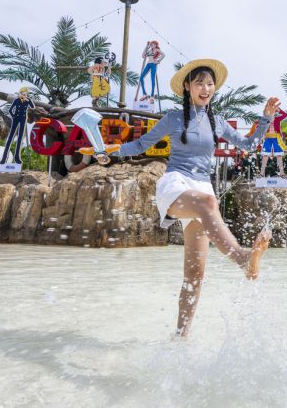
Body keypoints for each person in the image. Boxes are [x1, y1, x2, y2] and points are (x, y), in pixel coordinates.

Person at [112, 59, 276, 337]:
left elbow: (248, 145)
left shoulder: (218, 121)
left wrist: (265, 119)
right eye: (199, 82)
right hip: (176, 184)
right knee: (208, 203)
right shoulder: (173, 118)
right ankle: (243, 258)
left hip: (202, 188)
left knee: (195, 276)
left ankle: (180, 337)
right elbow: (141, 144)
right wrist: (111, 149)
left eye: (210, 83)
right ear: (187, 86)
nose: (205, 88)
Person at [2, 87, 34, 164]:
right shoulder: (16, 100)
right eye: (23, 94)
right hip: (16, 118)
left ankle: (17, 158)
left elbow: (33, 107)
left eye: (25, 94)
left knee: (20, 138)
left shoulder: (28, 101)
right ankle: (4, 157)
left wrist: (29, 101)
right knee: (10, 137)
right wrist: (14, 116)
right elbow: (10, 110)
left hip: (23, 119)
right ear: (20, 94)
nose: (24, 95)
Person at [259, 108, 287, 178]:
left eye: (273, 112)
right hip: (267, 138)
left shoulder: (278, 119)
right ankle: (261, 173)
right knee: (265, 155)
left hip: (276, 138)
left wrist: (279, 110)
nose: (271, 114)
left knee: (279, 155)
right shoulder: (265, 120)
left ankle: (282, 173)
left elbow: (285, 115)